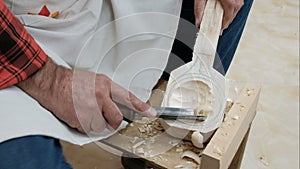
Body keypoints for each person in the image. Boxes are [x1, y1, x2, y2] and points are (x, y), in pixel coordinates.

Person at [0, 0, 253, 168]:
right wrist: (49, 79)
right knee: (24, 159)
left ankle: (166, 138)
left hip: (105, 7)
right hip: (15, 36)